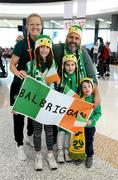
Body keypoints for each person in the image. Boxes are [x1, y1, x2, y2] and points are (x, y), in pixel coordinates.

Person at [9, 13, 42, 161]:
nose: (35, 27)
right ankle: (19, 145)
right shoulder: (21, 44)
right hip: (19, 86)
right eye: (32, 24)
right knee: (19, 117)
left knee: (33, 114)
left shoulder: (44, 42)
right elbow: (12, 64)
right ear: (27, 26)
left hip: (35, 87)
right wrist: (18, 72)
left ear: (41, 26)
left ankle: (28, 136)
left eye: (38, 24)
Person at [26, 34, 58, 170]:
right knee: (37, 131)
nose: (44, 49)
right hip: (36, 104)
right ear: (37, 48)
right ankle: (38, 155)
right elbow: (26, 86)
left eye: (47, 47)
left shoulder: (53, 64)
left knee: (49, 131)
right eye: (41, 47)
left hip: (49, 103)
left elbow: (54, 85)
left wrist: (58, 81)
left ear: (50, 49)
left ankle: (50, 155)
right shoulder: (30, 65)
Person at [56, 53, 78, 163]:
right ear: (63, 66)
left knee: (69, 131)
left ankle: (66, 150)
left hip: (72, 110)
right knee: (61, 131)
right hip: (62, 109)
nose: (70, 67)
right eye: (67, 65)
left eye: (72, 65)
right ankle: (60, 151)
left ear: (76, 66)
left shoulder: (78, 78)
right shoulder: (60, 78)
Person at [76, 77, 102, 168]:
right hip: (80, 126)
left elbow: (99, 113)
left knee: (89, 142)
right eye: (84, 87)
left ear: (92, 88)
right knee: (80, 141)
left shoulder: (95, 100)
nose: (87, 89)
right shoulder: (80, 99)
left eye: (89, 86)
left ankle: (89, 156)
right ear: (81, 89)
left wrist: (92, 120)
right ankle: (80, 155)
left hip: (90, 127)